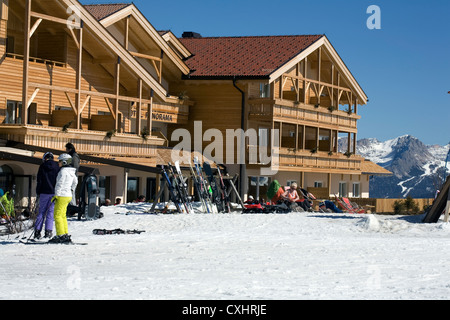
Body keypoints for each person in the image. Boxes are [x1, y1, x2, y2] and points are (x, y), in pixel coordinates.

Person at [49, 154, 78, 244]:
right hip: (68, 195)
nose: (58, 163)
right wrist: (71, 191)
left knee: (57, 215)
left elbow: (59, 184)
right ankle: (64, 234)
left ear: (65, 162)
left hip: (61, 195)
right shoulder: (71, 172)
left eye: (60, 161)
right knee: (62, 215)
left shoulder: (63, 171)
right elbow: (75, 182)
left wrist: (56, 195)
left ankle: (60, 235)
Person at [34, 152, 60, 240]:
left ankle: (37, 231)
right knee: (50, 213)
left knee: (41, 212)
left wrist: (38, 192)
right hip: (53, 192)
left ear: (45, 158)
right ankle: (48, 231)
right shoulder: (57, 167)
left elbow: (39, 180)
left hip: (44, 192)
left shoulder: (42, 166)